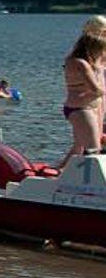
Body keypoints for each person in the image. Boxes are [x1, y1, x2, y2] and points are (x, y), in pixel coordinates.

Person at [57, 22, 106, 173]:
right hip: (82, 110)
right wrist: (100, 91)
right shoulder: (81, 64)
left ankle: (60, 170)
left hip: (80, 108)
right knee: (93, 147)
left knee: (79, 145)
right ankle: (89, 178)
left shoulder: (76, 60)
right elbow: (95, 88)